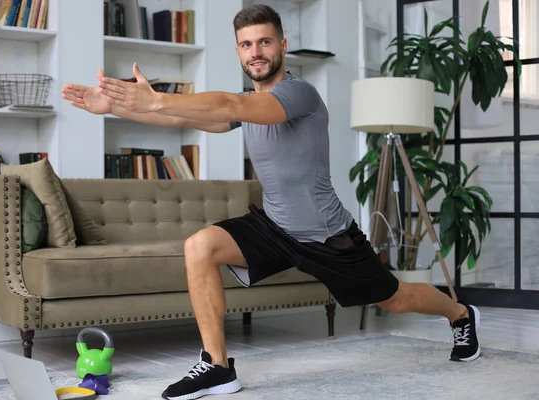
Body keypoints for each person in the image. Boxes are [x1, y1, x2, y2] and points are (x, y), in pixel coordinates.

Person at [62, 4, 481, 399]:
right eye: (246, 44)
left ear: (282, 46)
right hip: (277, 226)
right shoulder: (244, 106)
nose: (255, 52)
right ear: (239, 51)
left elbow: (231, 103)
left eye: (264, 42)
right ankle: (217, 366)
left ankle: (460, 314)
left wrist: (155, 96)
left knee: (396, 298)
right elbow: (181, 117)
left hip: (327, 235)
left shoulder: (299, 95)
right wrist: (116, 108)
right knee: (200, 246)